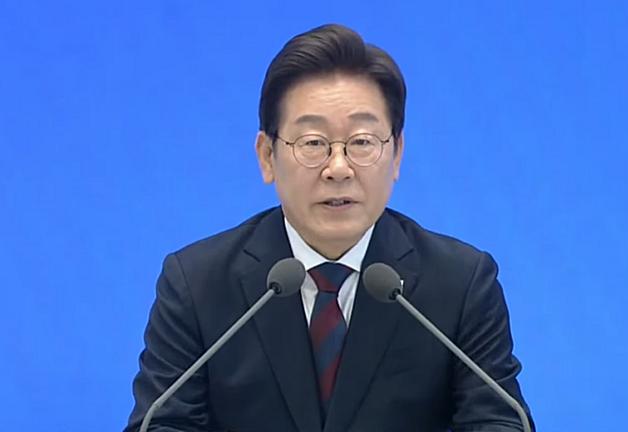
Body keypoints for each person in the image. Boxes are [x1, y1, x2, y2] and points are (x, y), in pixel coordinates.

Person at [125, 24, 534, 432]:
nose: (338, 168)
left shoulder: (460, 284)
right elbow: (163, 424)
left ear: (396, 155)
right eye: (313, 142)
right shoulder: (197, 285)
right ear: (267, 156)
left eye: (362, 142)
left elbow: (498, 421)